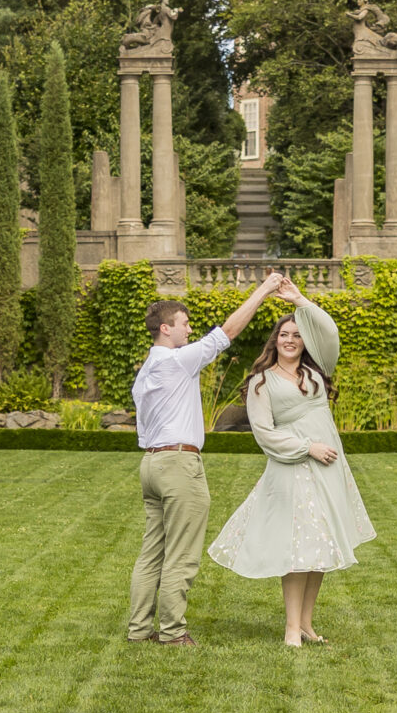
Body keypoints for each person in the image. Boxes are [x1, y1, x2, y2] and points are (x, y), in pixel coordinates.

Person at [208, 277, 376, 646]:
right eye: (284, 335)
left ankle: (306, 624)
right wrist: (307, 447)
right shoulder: (261, 382)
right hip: (294, 468)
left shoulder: (318, 370)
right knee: (299, 548)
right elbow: (264, 433)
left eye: (297, 335)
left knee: (321, 546)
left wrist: (300, 300)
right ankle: (290, 628)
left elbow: (329, 332)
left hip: (329, 468)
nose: (289, 340)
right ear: (274, 341)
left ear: (304, 342)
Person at [128, 269, 287, 646]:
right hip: (178, 466)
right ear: (165, 329)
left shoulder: (146, 371)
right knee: (181, 554)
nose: (189, 330)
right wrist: (264, 289)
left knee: (151, 553)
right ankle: (173, 633)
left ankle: (139, 630)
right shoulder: (176, 361)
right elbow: (227, 333)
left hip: (151, 464)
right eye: (184, 324)